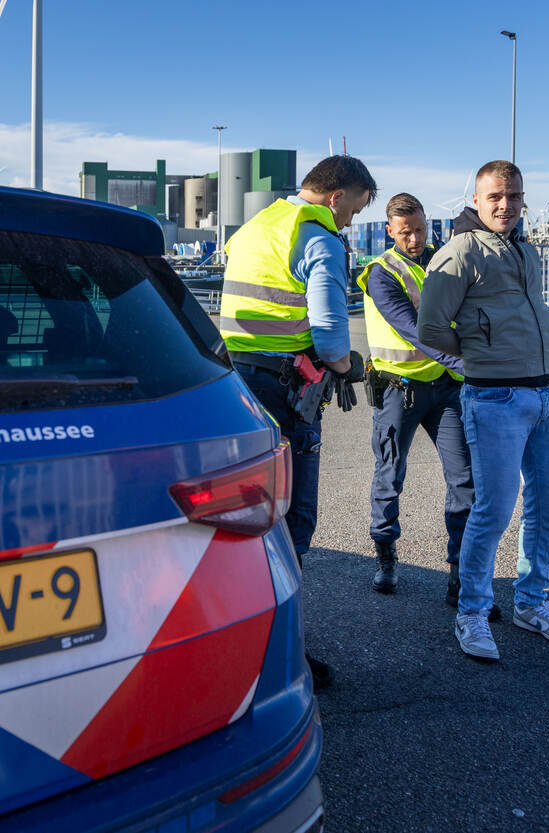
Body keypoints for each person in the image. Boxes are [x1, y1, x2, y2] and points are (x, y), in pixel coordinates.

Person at [417, 160, 549, 662]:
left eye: (512, 196)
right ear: (476, 199)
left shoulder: (526, 250)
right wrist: (476, 356)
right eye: (494, 197)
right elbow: (430, 329)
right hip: (494, 398)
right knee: (492, 510)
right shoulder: (461, 251)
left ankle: (531, 603)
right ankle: (471, 611)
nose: (505, 205)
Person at [219, 155, 375, 687]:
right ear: (336, 197)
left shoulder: (256, 227)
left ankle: (238, 641)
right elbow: (332, 336)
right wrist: (347, 366)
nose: (350, 221)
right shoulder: (318, 237)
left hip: (237, 384)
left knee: (251, 521)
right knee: (292, 525)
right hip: (285, 392)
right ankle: (281, 656)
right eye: (354, 208)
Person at [355, 193, 499, 620]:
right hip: (400, 391)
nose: (415, 239)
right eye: (405, 233)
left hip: (444, 390)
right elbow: (415, 328)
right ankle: (385, 553)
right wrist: (466, 363)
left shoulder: (442, 259)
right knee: (389, 475)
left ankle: (461, 573)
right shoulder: (380, 274)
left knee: (465, 479)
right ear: (389, 232)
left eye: (419, 229)